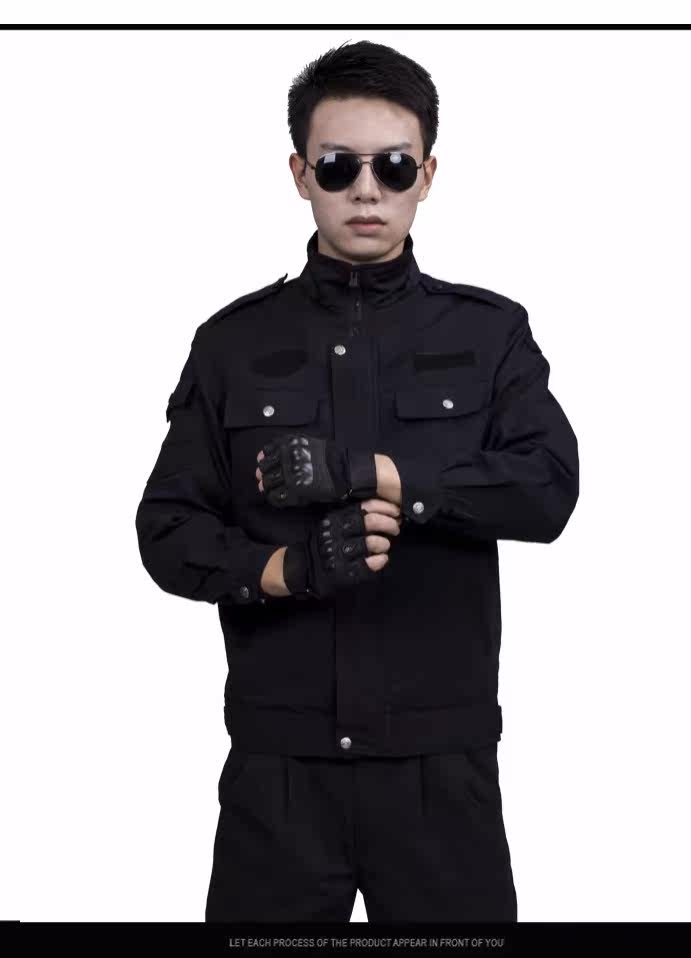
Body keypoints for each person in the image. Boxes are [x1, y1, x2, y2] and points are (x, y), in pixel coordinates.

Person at [135, 39, 579, 923]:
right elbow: (168, 529)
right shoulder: (231, 344)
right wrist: (285, 571)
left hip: (440, 774)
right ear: (300, 174)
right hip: (279, 777)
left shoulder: (489, 334)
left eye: (393, 166)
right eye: (339, 166)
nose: (367, 191)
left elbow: (546, 489)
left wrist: (376, 473)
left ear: (428, 175)